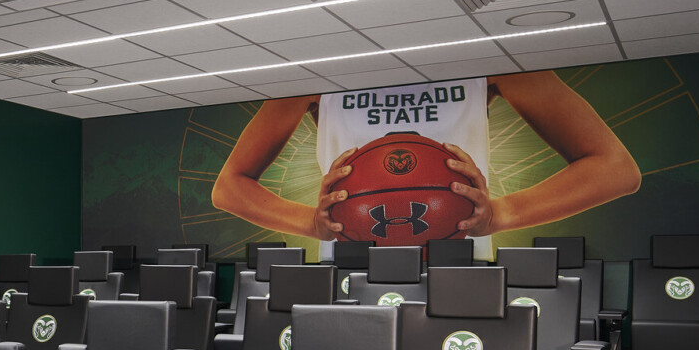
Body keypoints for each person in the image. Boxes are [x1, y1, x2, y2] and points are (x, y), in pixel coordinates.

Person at [211, 71, 640, 259]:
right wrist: (312, 224)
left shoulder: (488, 55)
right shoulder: (316, 67)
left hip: (456, 270)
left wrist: (503, 213)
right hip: (349, 270)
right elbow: (230, 185)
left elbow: (614, 167)